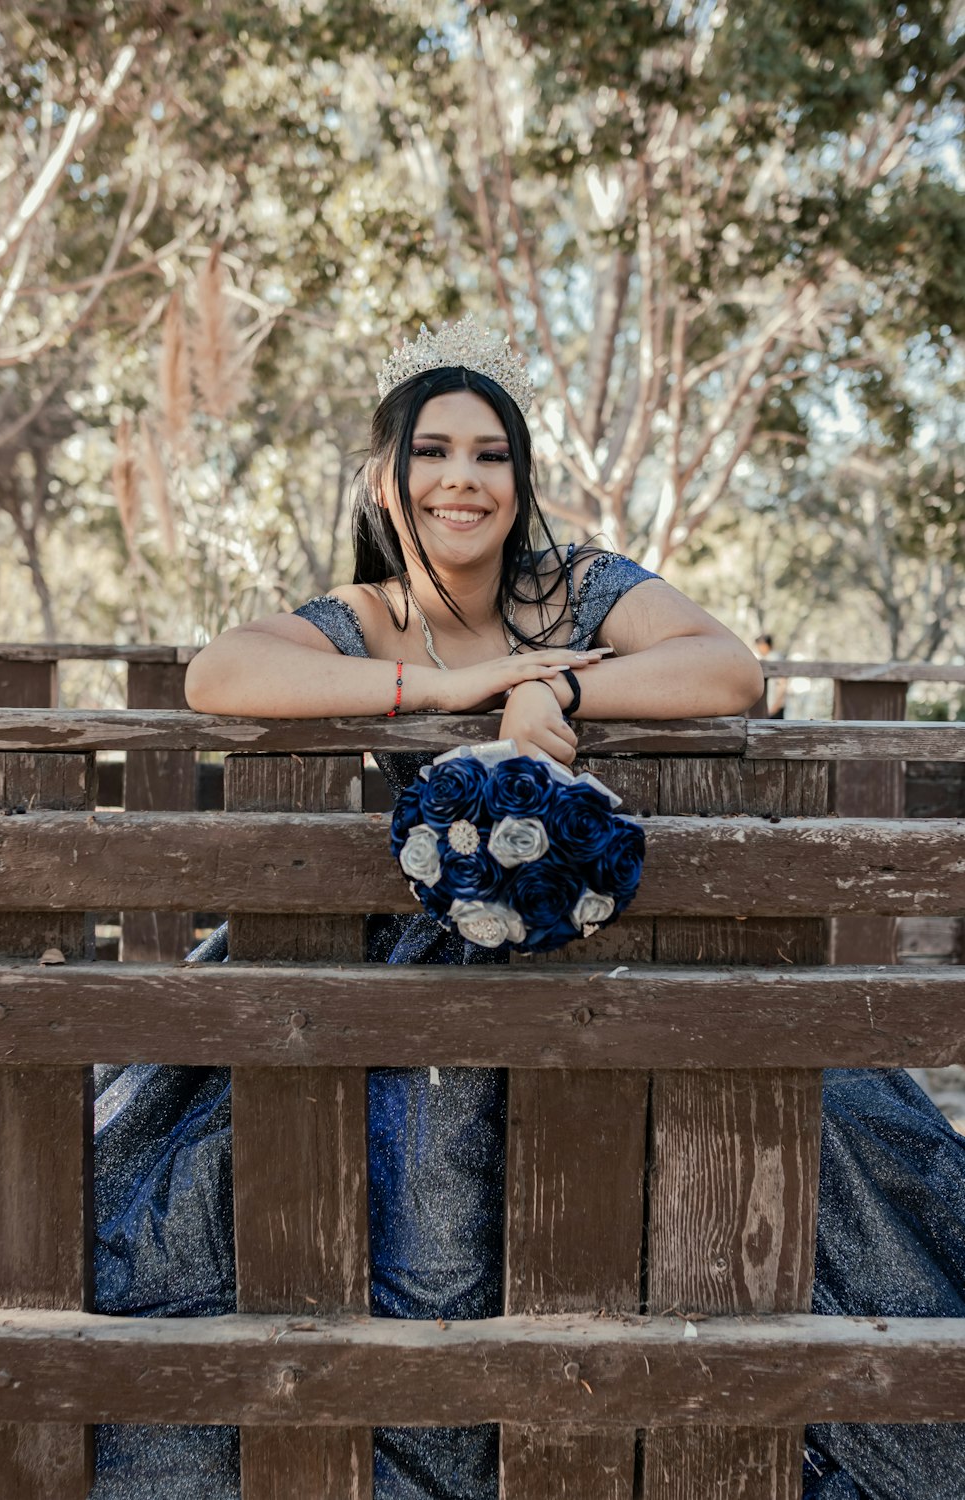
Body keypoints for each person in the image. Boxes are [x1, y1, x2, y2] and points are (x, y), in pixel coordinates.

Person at [92, 318, 965, 1500]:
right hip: (410, 972)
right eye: (435, 451)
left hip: (612, 948)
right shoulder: (366, 613)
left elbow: (724, 667)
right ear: (383, 479)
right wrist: (455, 689)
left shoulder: (577, 584)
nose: (463, 479)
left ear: (520, 478)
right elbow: (219, 675)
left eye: (491, 454)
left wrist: (552, 681)